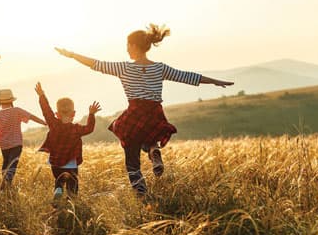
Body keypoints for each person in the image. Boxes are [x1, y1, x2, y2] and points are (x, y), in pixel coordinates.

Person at [55, 24, 233, 196]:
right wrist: (216, 81)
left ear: (133, 45)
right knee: (149, 137)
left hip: (135, 112)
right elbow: (188, 77)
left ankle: (141, 193)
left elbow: (95, 64)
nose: (126, 49)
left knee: (131, 157)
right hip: (154, 113)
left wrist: (71, 55)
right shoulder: (159, 68)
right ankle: (153, 150)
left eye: (127, 45)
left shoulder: (124, 67)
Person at [34, 82, 101, 201]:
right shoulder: (76, 129)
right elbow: (89, 128)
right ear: (73, 114)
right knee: (72, 183)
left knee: (59, 179)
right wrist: (91, 114)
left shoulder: (53, 124)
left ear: (56, 114)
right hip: (71, 162)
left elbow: (46, 110)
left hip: (55, 161)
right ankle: (71, 201)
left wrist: (41, 95)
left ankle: (58, 190)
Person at [0, 89, 46, 188]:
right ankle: (7, 183)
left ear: (0, 102)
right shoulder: (17, 110)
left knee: (6, 162)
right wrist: (44, 122)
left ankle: (4, 183)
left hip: (4, 144)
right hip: (16, 143)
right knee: (13, 163)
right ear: (12, 101)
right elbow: (31, 117)